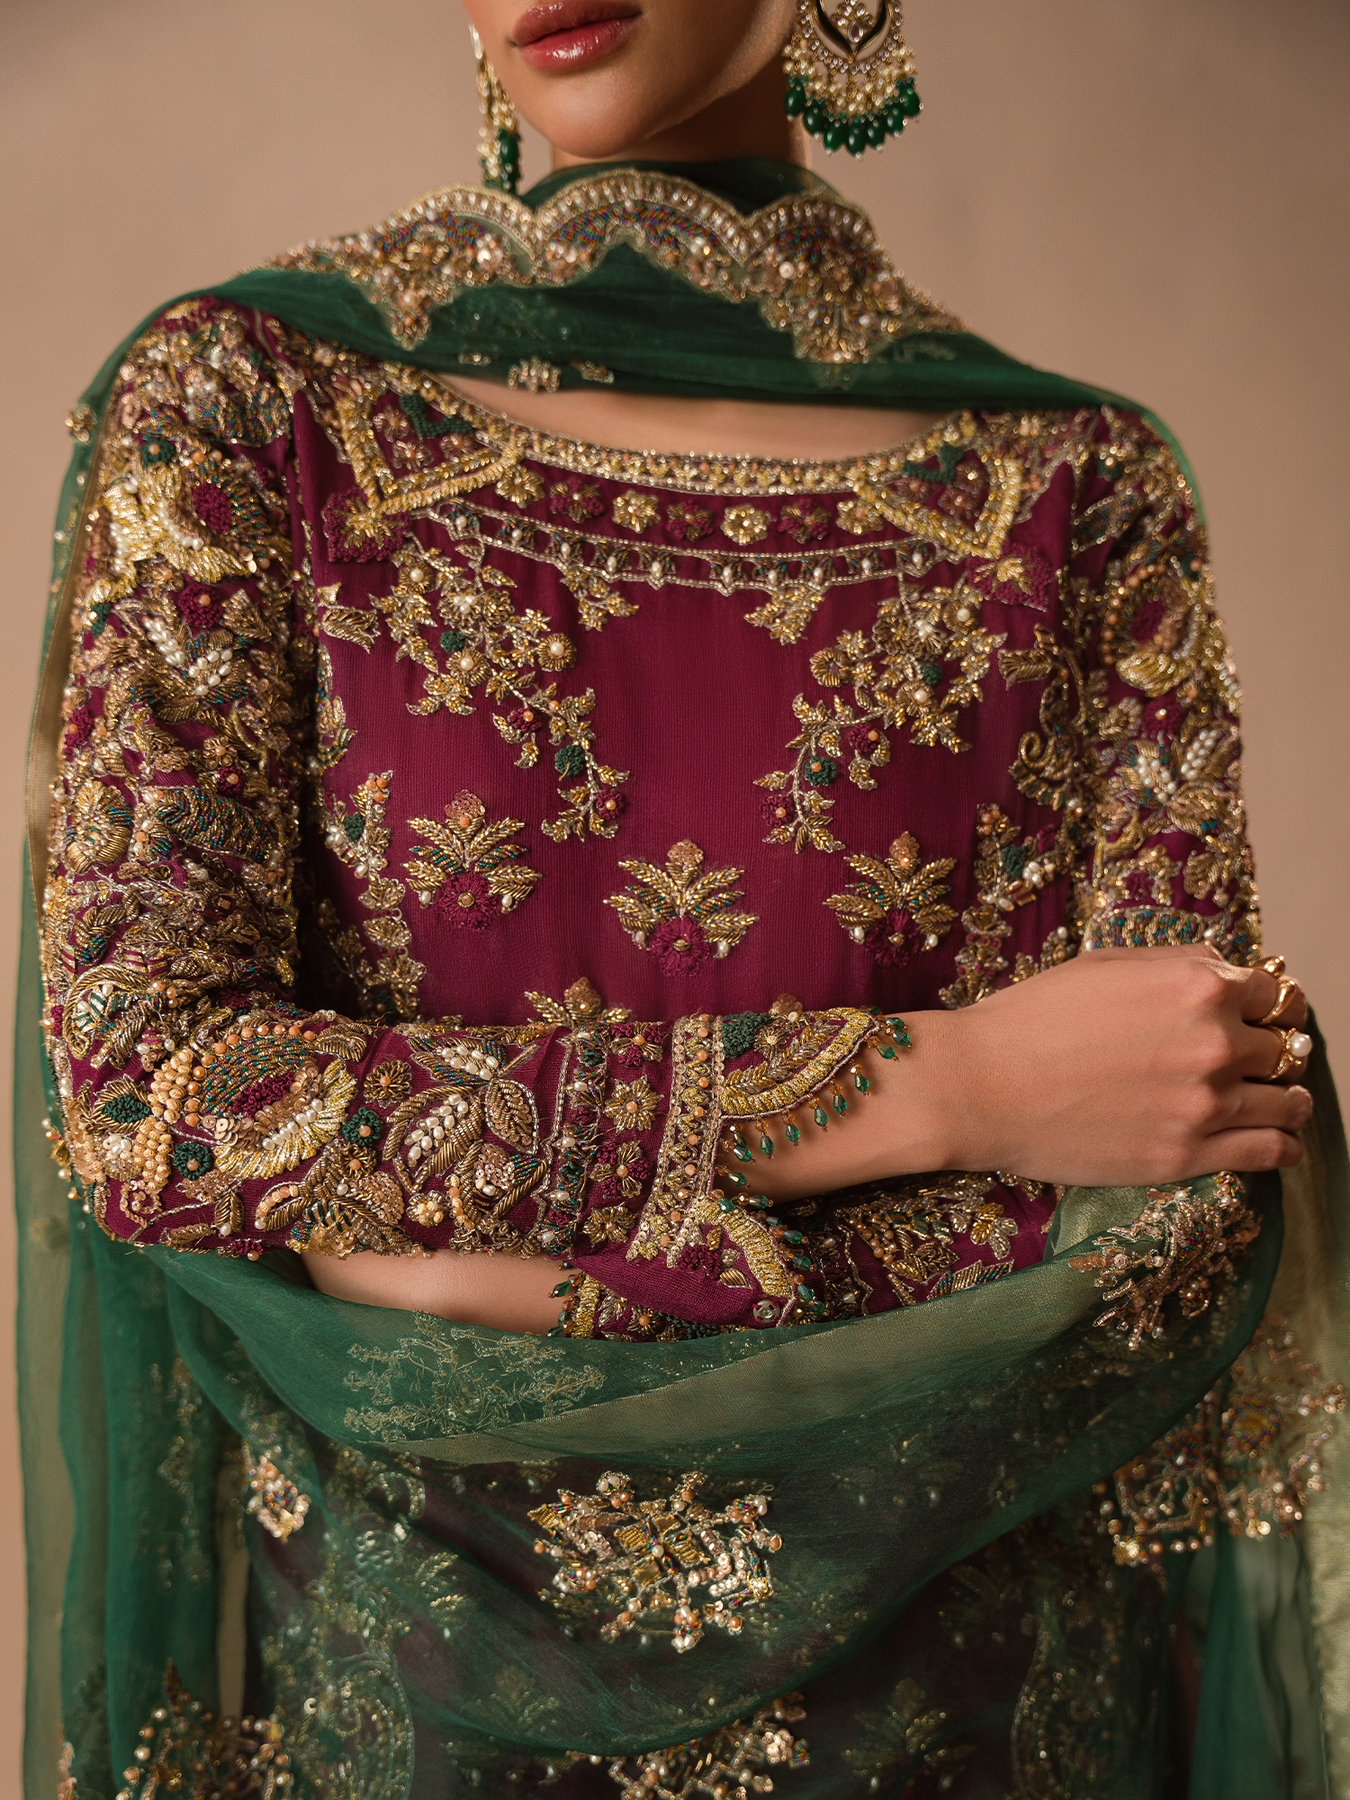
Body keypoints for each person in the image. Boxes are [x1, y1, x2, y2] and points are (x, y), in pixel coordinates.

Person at [18, 0, 1350, 1793]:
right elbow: (152, 1104)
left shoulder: (1072, 494)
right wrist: (946, 1090)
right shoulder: (255, 405)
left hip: (961, 1705)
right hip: (425, 1706)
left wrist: (455, 1269)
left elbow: (1179, 1198)